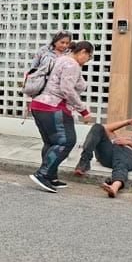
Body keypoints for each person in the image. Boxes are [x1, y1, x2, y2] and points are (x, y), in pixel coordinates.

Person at [28, 41, 95, 193]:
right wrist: (83, 111)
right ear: (83, 52)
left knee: (51, 143)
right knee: (67, 141)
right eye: (89, 57)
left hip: (39, 106)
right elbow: (67, 89)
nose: (87, 60)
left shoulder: (59, 60)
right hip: (54, 107)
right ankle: (43, 174)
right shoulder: (71, 64)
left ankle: (51, 176)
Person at [73, 118, 132, 198]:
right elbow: (107, 128)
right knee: (98, 127)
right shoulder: (121, 138)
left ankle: (114, 187)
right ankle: (84, 162)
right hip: (108, 155)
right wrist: (128, 122)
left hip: (129, 157)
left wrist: (129, 143)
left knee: (121, 162)